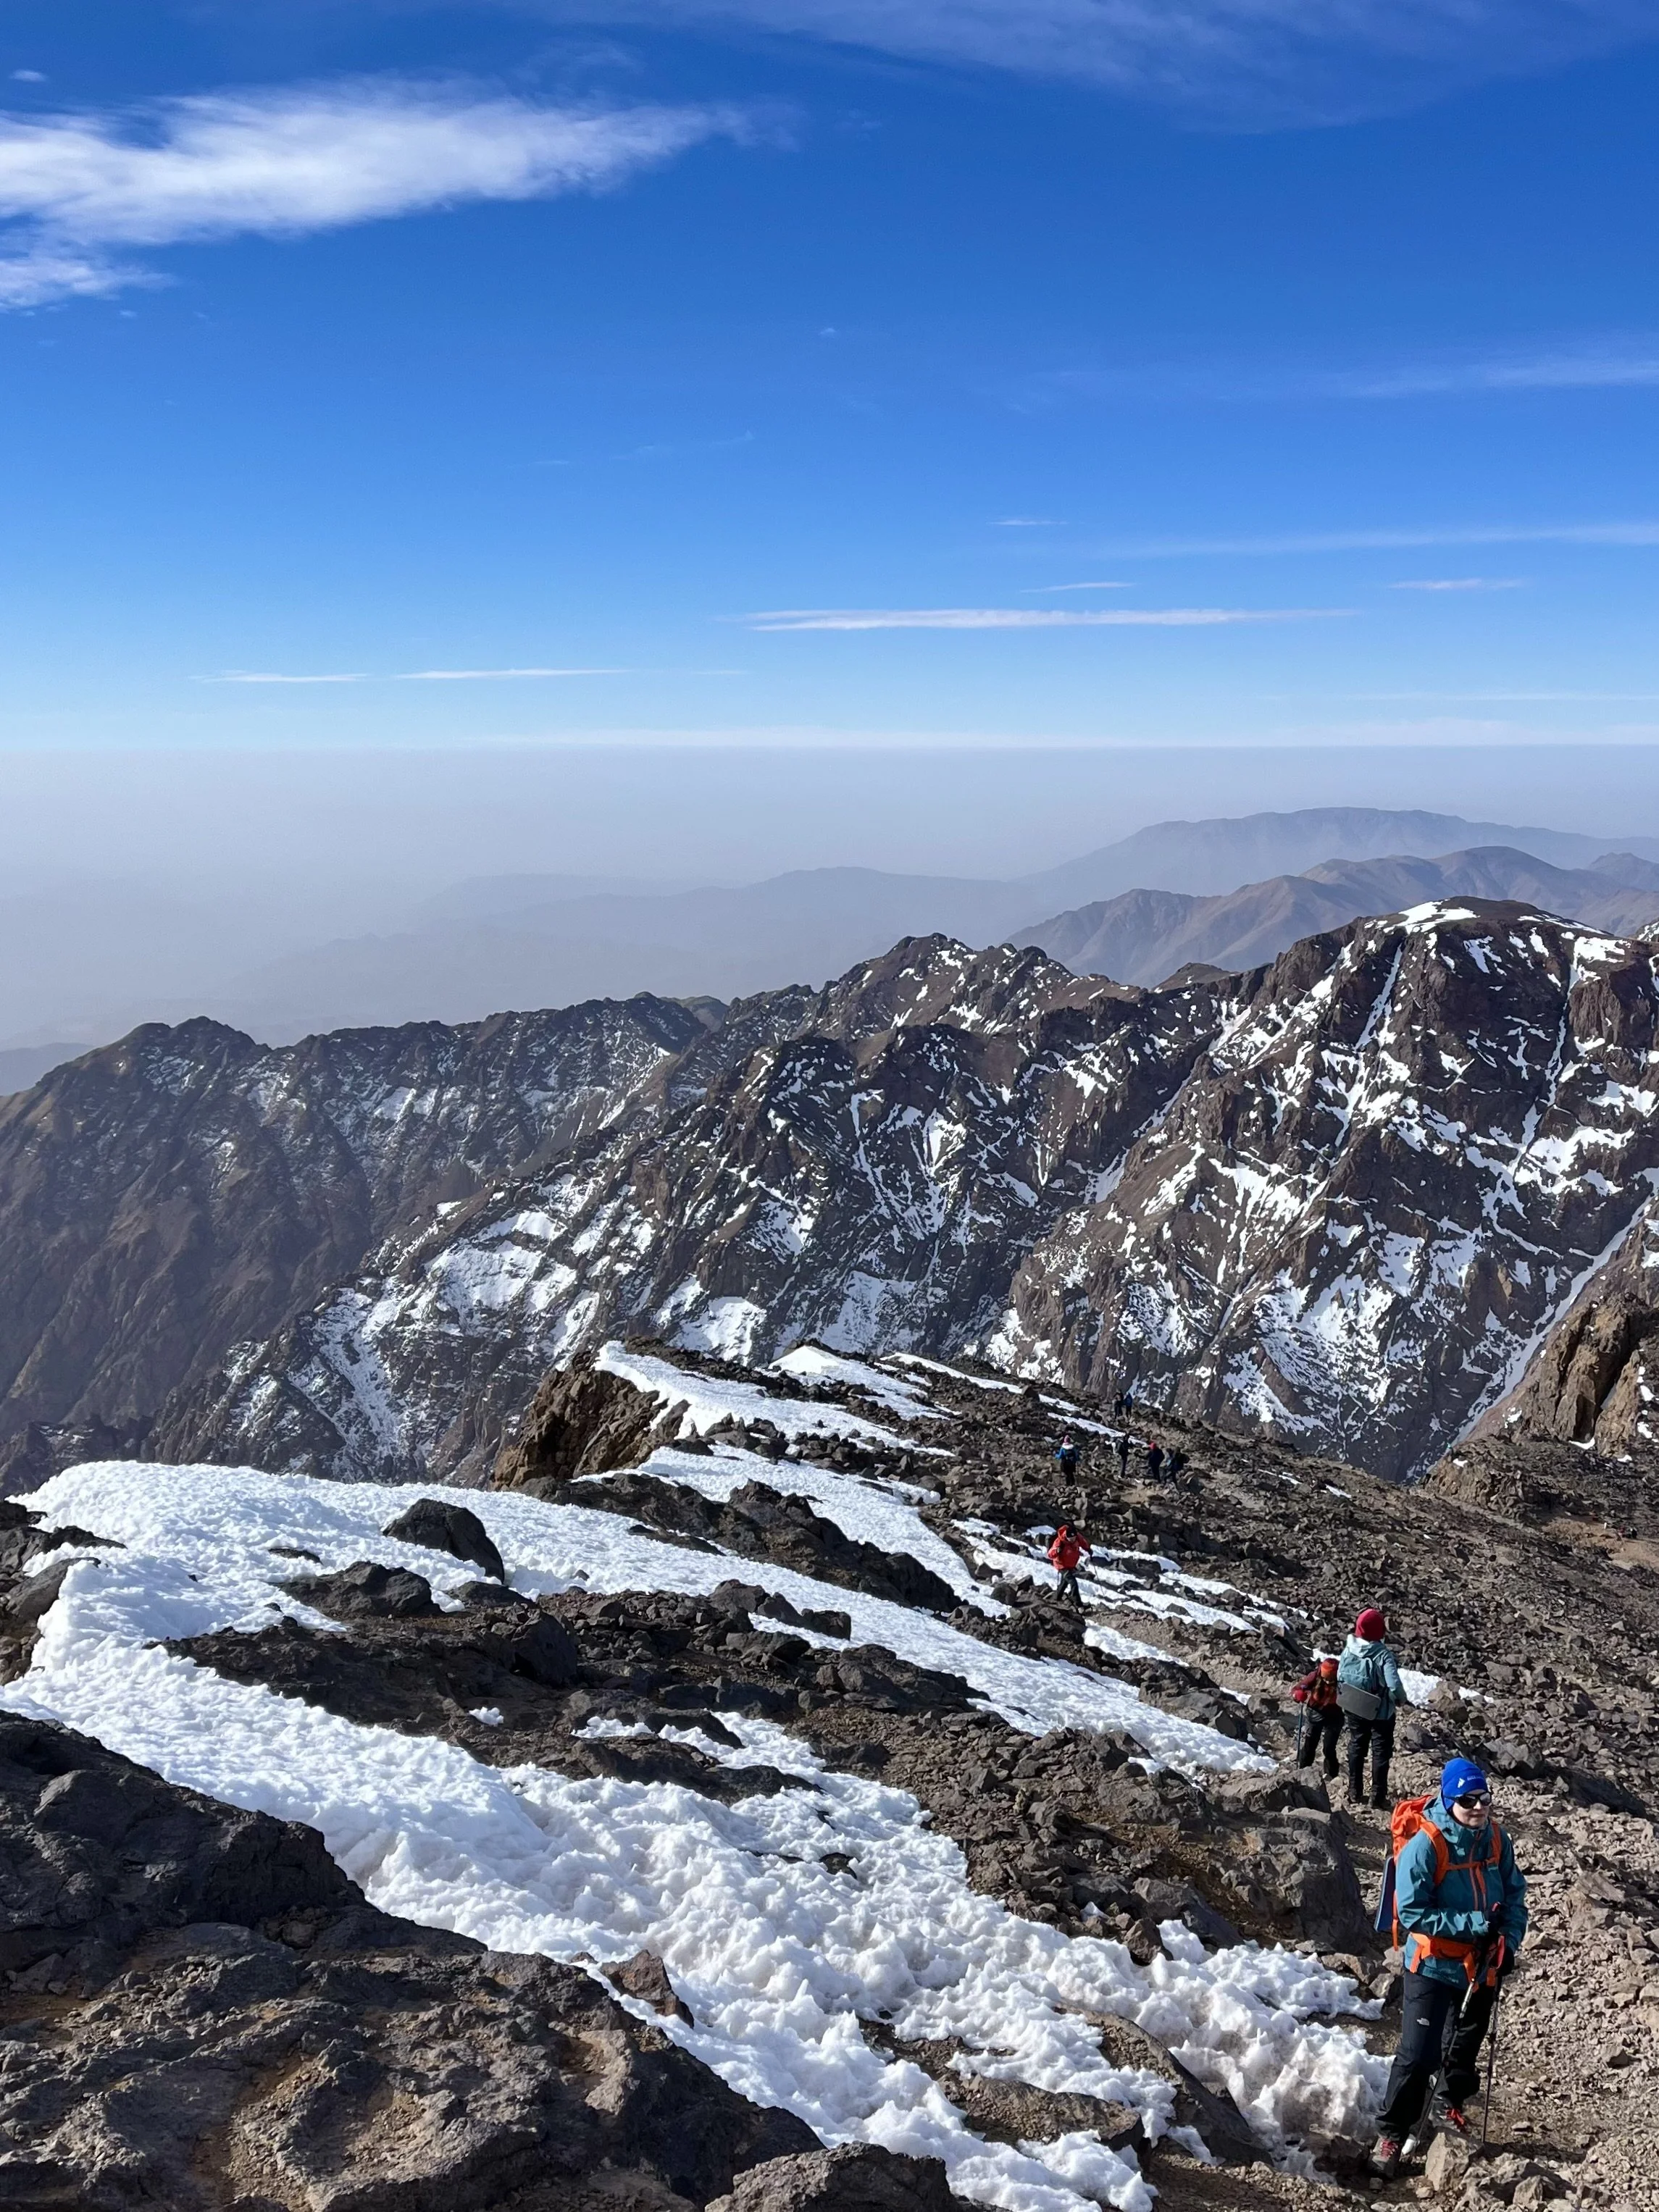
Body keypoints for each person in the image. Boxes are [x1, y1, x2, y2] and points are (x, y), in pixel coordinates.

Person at [1370, 1759, 1528, 2177]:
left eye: (1484, 1799)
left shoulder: (1496, 1839)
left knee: (1462, 2048)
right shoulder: (1426, 1844)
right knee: (1417, 2054)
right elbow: (1413, 1913)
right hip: (1433, 1965)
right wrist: (1475, 1926)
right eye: (1467, 1800)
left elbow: (1515, 1896)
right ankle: (1391, 2133)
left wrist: (1508, 1942)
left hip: (1482, 1964)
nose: (1478, 1807)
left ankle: (1447, 2106)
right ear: (1448, 1798)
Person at [1339, 1606, 1406, 1807]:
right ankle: (1377, 1797)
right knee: (1380, 1751)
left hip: (1354, 1705)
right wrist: (1400, 1699)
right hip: (1381, 1712)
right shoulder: (1383, 1655)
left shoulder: (1349, 1648)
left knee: (1357, 1745)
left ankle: (1354, 1791)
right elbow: (1394, 1685)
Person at [1291, 1656, 1343, 1777]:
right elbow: (1297, 1689)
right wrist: (1298, 1695)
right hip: (1315, 1713)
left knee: (1329, 1749)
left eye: (1332, 1680)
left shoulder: (1344, 1679)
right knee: (1310, 1746)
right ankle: (1303, 1773)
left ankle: (1331, 1776)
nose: (1329, 1682)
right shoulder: (1314, 1676)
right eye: (1326, 1679)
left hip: (1335, 1715)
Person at [1047, 1521, 1090, 1605]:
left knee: (1064, 1583)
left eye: (1074, 1537)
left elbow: (1082, 1542)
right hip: (1061, 1565)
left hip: (1070, 1565)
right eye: (1071, 1538)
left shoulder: (1076, 1537)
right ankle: (1077, 1603)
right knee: (1073, 1583)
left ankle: (1057, 1599)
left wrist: (1088, 1549)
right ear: (1067, 1536)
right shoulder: (1059, 1542)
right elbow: (1050, 1554)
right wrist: (1057, 1551)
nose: (1073, 1539)